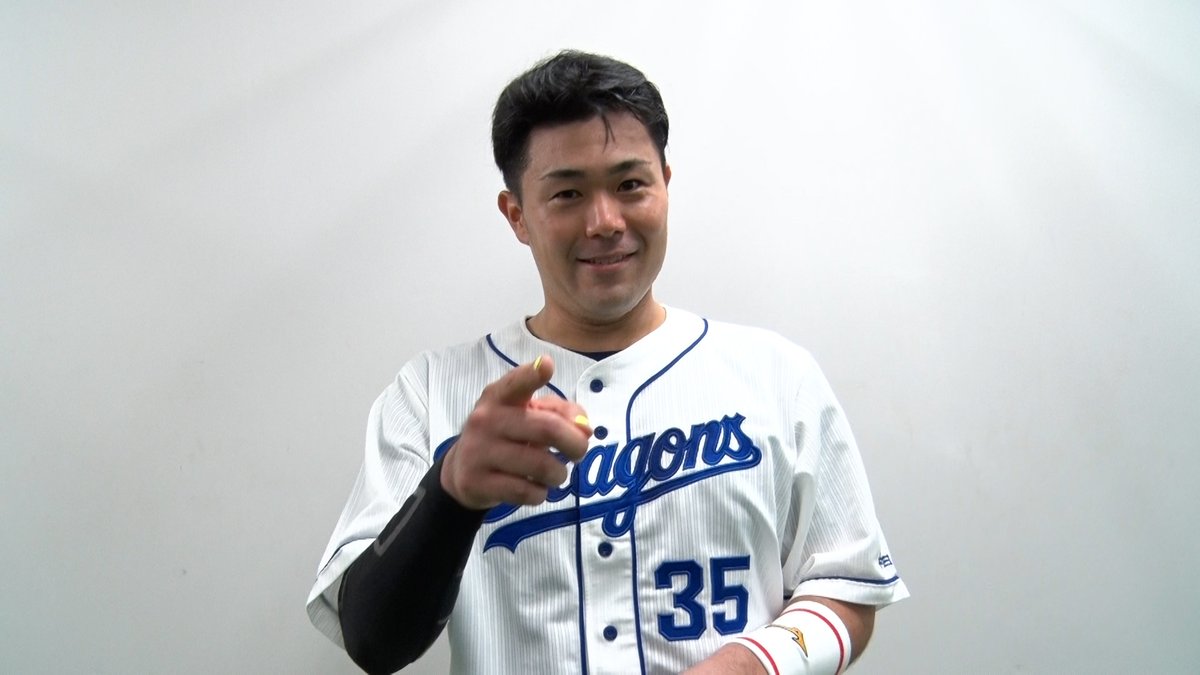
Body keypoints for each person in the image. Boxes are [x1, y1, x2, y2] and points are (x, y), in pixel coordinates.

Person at [306, 50, 908, 675]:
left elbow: (850, 585)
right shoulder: (431, 391)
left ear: (665, 185)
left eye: (630, 185)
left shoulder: (778, 376)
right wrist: (449, 492)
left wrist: (754, 664)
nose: (605, 222)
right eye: (567, 193)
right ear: (517, 215)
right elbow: (372, 642)